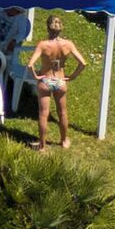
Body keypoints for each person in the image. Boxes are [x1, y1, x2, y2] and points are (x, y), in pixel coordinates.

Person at [28, 17, 88, 149]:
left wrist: (36, 76)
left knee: (44, 114)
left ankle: (42, 146)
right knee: (62, 112)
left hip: (45, 80)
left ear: (47, 27)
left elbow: (30, 64)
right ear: (61, 28)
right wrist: (72, 76)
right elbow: (83, 63)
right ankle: (64, 141)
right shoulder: (68, 44)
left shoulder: (43, 45)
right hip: (60, 80)